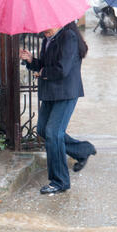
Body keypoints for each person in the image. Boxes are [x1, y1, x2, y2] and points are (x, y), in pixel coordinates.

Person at [19, 22, 97, 195]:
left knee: (54, 133)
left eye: (46, 26)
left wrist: (43, 73)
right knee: (43, 130)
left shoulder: (68, 37)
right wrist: (31, 60)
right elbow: (46, 63)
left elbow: (62, 69)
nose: (43, 30)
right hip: (51, 93)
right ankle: (82, 150)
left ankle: (60, 181)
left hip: (66, 92)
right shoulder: (48, 38)